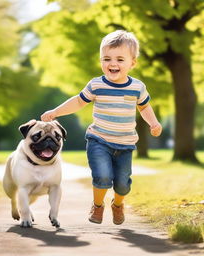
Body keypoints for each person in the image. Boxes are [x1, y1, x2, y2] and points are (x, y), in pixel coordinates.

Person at [41, 30, 162, 225]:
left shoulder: (137, 88)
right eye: (107, 59)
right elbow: (79, 102)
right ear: (101, 61)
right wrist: (56, 112)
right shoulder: (96, 85)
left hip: (125, 144)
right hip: (99, 140)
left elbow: (144, 107)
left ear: (132, 63)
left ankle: (117, 204)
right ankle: (98, 206)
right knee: (102, 176)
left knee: (123, 184)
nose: (113, 64)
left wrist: (153, 123)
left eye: (120, 59)